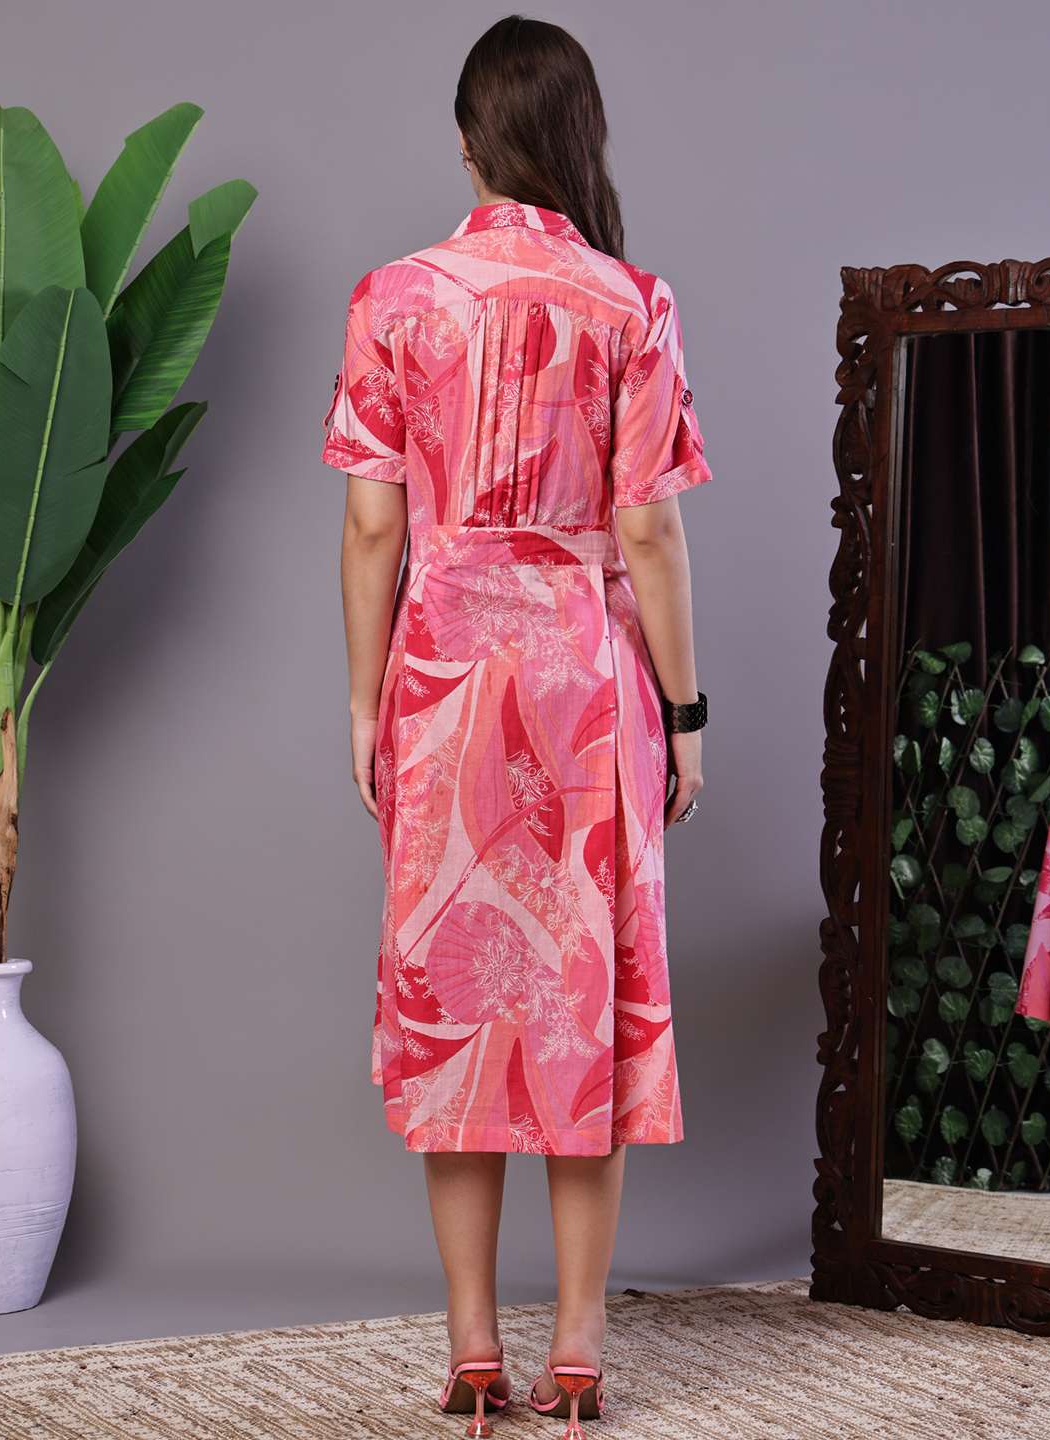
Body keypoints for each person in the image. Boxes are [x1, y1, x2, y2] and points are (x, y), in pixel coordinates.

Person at [322, 15, 711, 1436]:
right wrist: (685, 712)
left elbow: (374, 528)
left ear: (467, 138)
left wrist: (365, 699)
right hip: (587, 688)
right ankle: (582, 1360)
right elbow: (649, 533)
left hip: (443, 686)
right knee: (582, 1009)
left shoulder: (393, 299)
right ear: (580, 137)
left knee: (462, 1012)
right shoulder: (632, 303)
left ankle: (475, 1355)